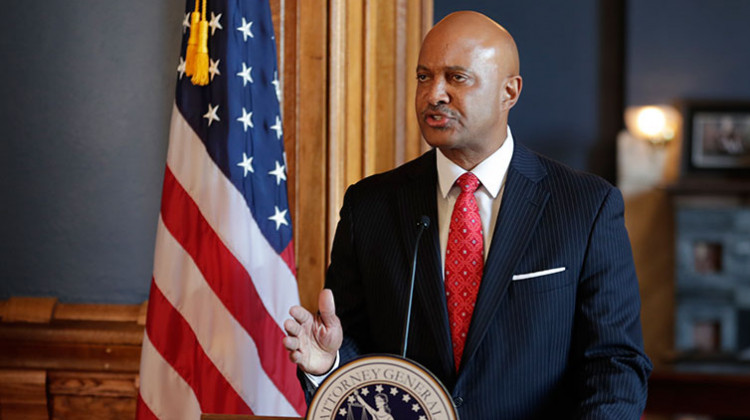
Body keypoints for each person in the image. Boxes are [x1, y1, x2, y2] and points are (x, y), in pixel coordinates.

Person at [283, 10, 652, 419]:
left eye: (456, 78)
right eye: (424, 76)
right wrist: (328, 364)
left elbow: (614, 363)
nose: (434, 94)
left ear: (509, 92)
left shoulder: (586, 206)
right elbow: (356, 347)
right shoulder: (369, 206)